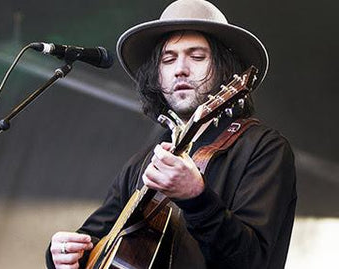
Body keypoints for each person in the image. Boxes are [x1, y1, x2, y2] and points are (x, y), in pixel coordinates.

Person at [45, 0, 297, 268]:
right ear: (158, 74)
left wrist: (197, 199)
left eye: (197, 57)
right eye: (168, 59)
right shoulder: (144, 162)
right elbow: (93, 240)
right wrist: (60, 254)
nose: (180, 69)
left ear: (226, 69)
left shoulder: (264, 148)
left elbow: (255, 261)